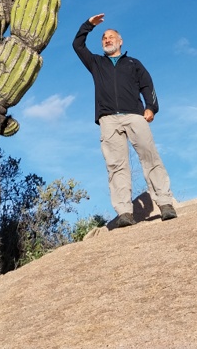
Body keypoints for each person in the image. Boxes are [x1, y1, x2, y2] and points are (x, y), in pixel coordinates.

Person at [73, 13, 177, 227]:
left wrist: (151, 107)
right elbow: (77, 45)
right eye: (104, 38)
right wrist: (88, 25)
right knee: (116, 166)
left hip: (135, 115)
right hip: (108, 120)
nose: (107, 39)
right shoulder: (96, 63)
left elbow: (147, 85)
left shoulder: (133, 63)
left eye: (111, 37)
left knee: (150, 157)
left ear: (120, 41)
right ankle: (124, 213)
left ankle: (165, 203)